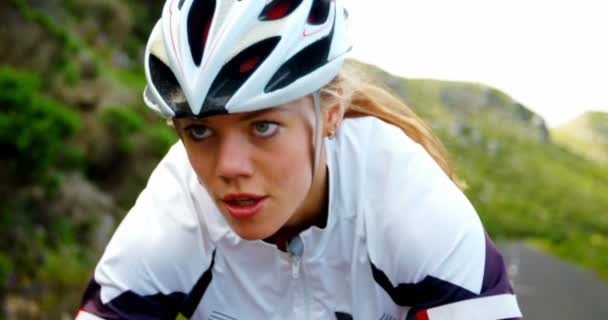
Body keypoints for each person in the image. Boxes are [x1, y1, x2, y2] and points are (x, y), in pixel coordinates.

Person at [76, 1, 522, 319]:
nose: (228, 167)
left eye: (263, 126)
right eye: (199, 131)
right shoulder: (176, 209)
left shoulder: (403, 195)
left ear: (329, 114)